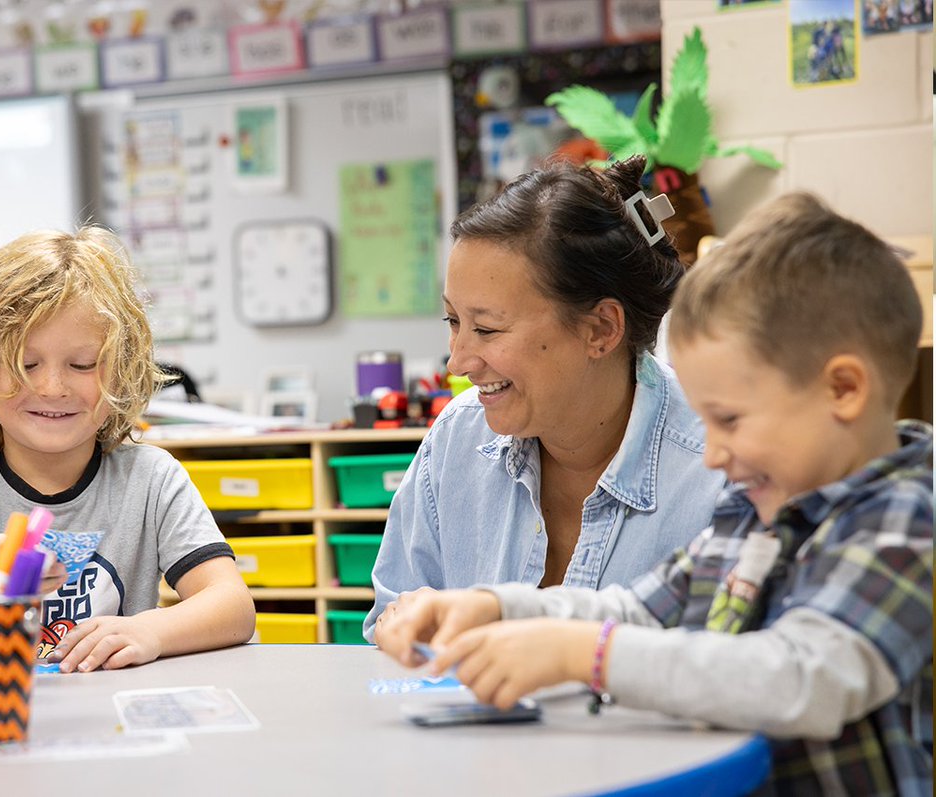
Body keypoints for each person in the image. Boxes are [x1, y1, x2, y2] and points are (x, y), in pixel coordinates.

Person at [375, 192, 932, 795]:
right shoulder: (759, 515)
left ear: (843, 390)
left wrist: (583, 653)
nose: (712, 453)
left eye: (729, 420)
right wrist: (499, 609)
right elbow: (636, 611)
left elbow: (802, 676)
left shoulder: (904, 519)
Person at [364, 155, 726, 640]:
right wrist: (408, 625)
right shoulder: (457, 438)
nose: (459, 361)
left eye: (487, 329)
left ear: (601, 329)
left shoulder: (719, 468)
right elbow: (387, 625)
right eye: (454, 322)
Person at [0, 225, 255, 672]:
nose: (52, 387)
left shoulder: (151, 478)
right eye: (26, 364)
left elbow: (233, 607)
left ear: (122, 369)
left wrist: (150, 630)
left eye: (83, 365)